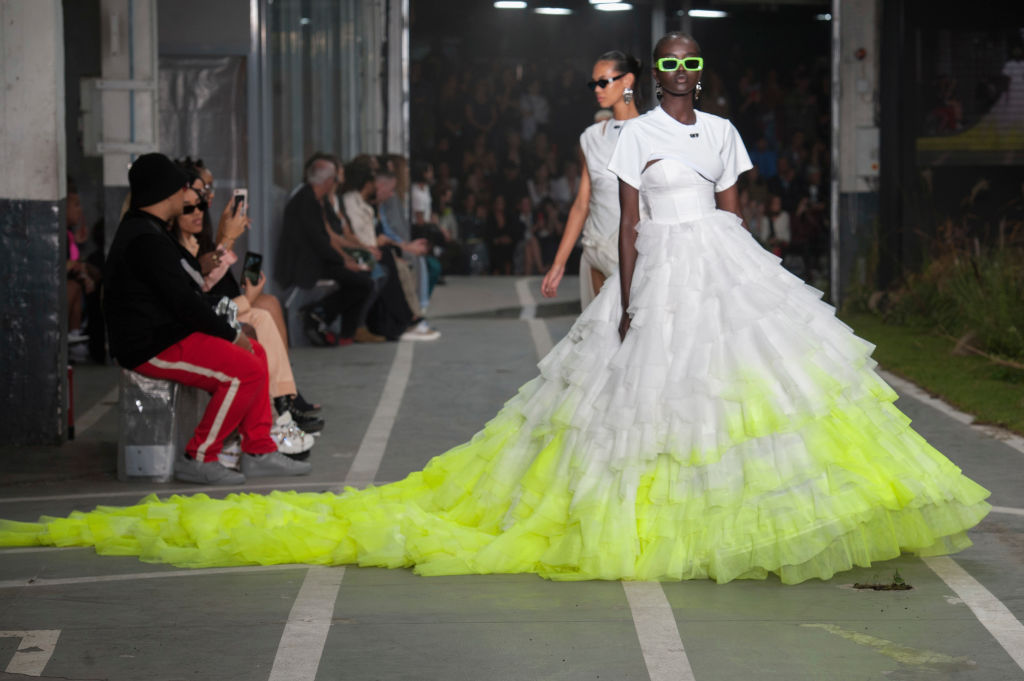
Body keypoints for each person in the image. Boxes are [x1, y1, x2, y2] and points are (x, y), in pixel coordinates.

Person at [0, 39, 990, 585]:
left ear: (694, 76)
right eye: (660, 68)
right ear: (646, 81)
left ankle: (775, 509)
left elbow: (733, 205)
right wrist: (614, 289)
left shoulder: (720, 133)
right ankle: (676, 513)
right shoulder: (624, 139)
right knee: (658, 392)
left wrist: (750, 265)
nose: (672, 79)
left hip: (724, 261)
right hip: (657, 263)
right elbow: (618, 217)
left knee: (751, 387)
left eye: (684, 66)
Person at [99, 153, 311, 484]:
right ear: (165, 193)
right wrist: (231, 335)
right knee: (244, 371)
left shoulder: (152, 231)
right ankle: (199, 456)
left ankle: (258, 450)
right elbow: (185, 303)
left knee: (256, 354)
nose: (190, 199)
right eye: (182, 190)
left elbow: (186, 289)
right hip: (150, 345)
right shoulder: (144, 239)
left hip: (169, 333)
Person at [541, 51, 642, 306]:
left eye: (603, 82)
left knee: (637, 327)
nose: (597, 89)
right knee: (602, 328)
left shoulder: (652, 133)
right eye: (593, 83)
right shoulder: (591, 137)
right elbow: (581, 204)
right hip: (596, 248)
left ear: (627, 80)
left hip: (640, 250)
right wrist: (558, 263)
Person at [275, 154, 377, 346]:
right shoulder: (306, 201)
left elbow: (328, 237)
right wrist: (344, 262)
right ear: (328, 180)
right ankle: (320, 314)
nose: (337, 183)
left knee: (364, 280)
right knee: (363, 283)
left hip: (318, 260)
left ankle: (335, 325)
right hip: (304, 265)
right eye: (336, 178)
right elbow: (320, 242)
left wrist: (347, 258)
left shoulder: (317, 200)